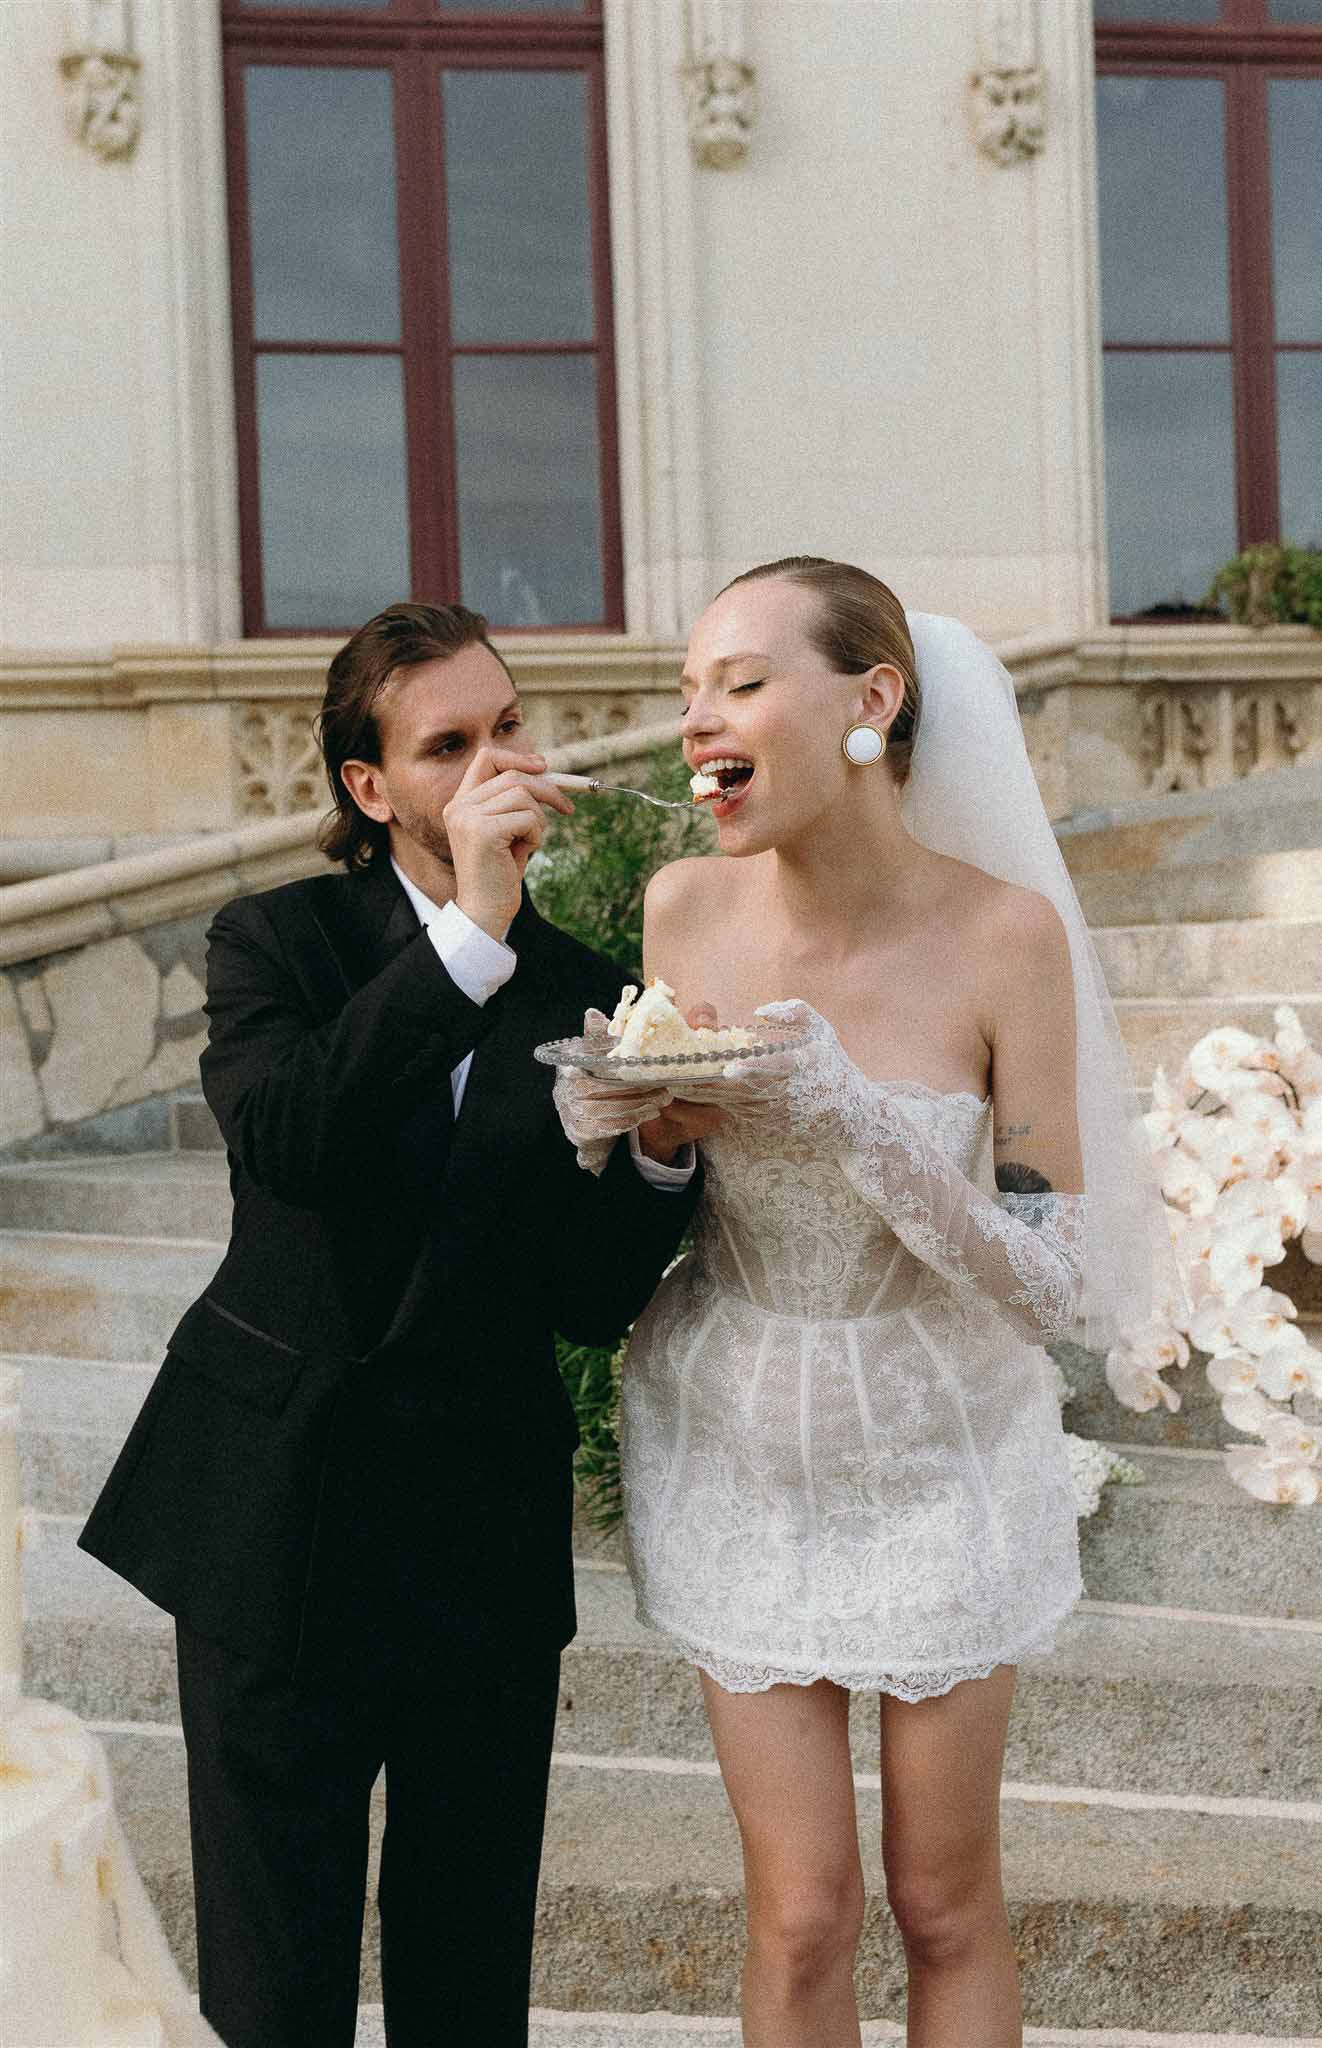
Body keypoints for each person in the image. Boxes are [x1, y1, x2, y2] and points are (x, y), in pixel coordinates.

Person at [80, 602, 716, 2048]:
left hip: (476, 1533)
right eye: (449, 744)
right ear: (371, 791)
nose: (500, 763)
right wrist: (472, 937)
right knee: (276, 1984)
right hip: (271, 1522)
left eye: (508, 726)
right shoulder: (277, 942)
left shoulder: (588, 988)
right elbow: (297, 1141)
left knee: (467, 1974)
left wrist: (667, 1150)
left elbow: (584, 1294)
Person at [554, 559, 1170, 2047]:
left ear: (872, 700)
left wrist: (860, 1118)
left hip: (945, 1446)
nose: (698, 721)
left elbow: (1053, 1280)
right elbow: (670, 1184)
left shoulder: (1005, 938)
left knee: (943, 1900)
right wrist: (638, 1137)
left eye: (741, 682)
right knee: (801, 1911)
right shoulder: (682, 906)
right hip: (733, 1439)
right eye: (690, 690)